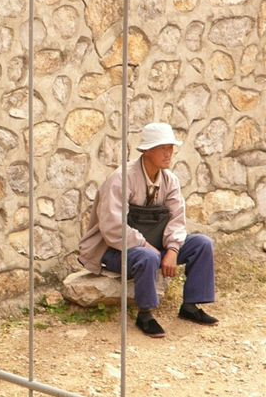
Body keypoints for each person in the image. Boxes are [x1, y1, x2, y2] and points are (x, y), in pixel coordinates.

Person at [78, 122, 218, 338]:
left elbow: (177, 219)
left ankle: (190, 306)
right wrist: (145, 245)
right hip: (115, 250)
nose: (168, 153)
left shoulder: (170, 180)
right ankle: (145, 315)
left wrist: (172, 250)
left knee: (202, 244)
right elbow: (112, 227)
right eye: (163, 147)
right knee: (147, 257)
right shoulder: (121, 178)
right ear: (147, 150)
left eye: (170, 147)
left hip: (153, 246)